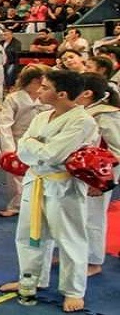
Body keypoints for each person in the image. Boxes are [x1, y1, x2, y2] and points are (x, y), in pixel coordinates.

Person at [0, 70, 98, 313]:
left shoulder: (83, 121)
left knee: (69, 238)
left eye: (44, 87)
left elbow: (54, 154)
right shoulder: (42, 116)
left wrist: (34, 146)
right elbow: (23, 148)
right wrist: (34, 146)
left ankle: (74, 291)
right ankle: (31, 280)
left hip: (64, 186)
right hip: (36, 181)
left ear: (62, 94)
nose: (39, 91)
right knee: (29, 235)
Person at [75, 73, 120, 278]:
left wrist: (101, 181)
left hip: (98, 175)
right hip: (77, 172)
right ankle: (75, 254)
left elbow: (117, 151)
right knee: (74, 216)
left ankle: (93, 260)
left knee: (93, 217)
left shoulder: (107, 115)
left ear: (87, 93)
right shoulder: (82, 112)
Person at [0, 64, 51, 218]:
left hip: (42, 140)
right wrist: (9, 148)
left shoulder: (47, 97)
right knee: (16, 176)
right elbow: (4, 124)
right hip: (18, 138)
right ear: (34, 81)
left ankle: (40, 204)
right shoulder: (14, 98)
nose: (43, 88)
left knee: (42, 174)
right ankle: (15, 205)